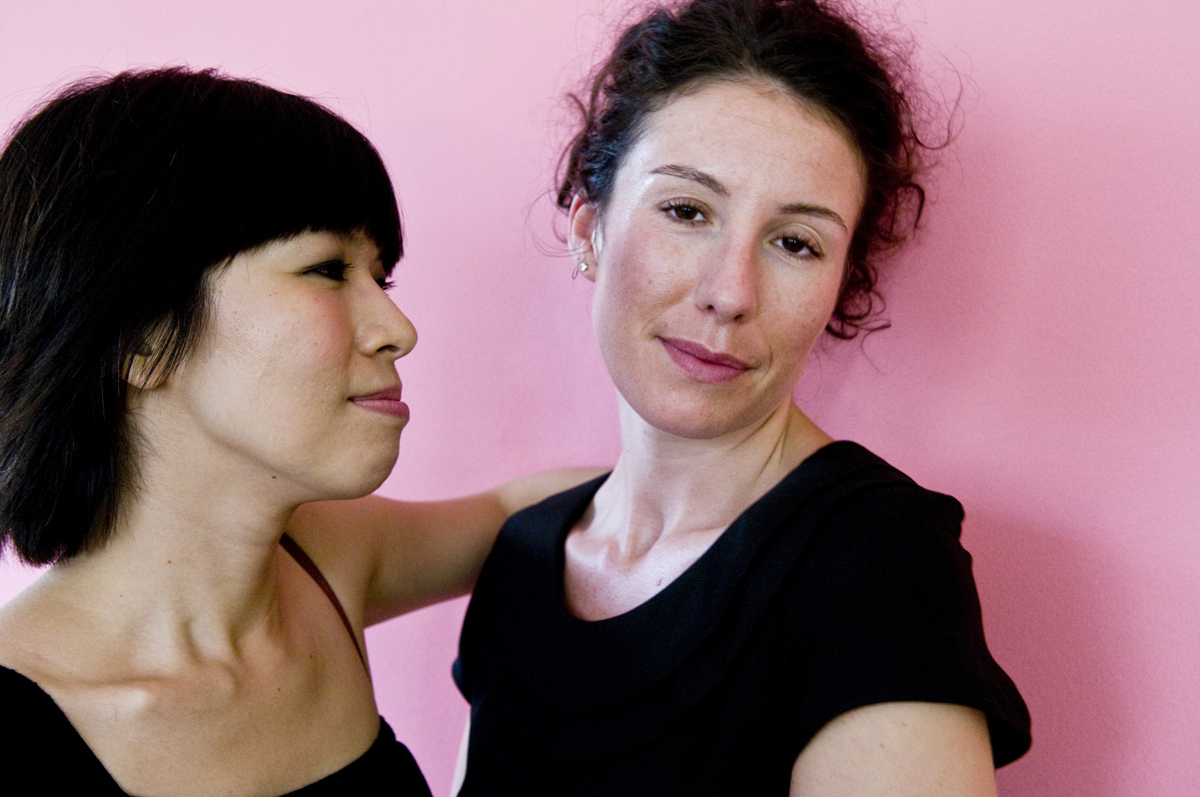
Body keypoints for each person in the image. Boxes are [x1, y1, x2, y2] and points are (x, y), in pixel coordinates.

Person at [451, 0, 1032, 793]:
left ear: (841, 284)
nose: (730, 292)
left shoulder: (878, 565)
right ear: (590, 231)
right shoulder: (523, 556)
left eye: (795, 243)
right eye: (686, 211)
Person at [0, 67, 595, 795]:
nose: (398, 329)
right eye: (326, 269)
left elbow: (525, 512)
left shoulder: (325, 558)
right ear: (143, 338)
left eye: (380, 277)